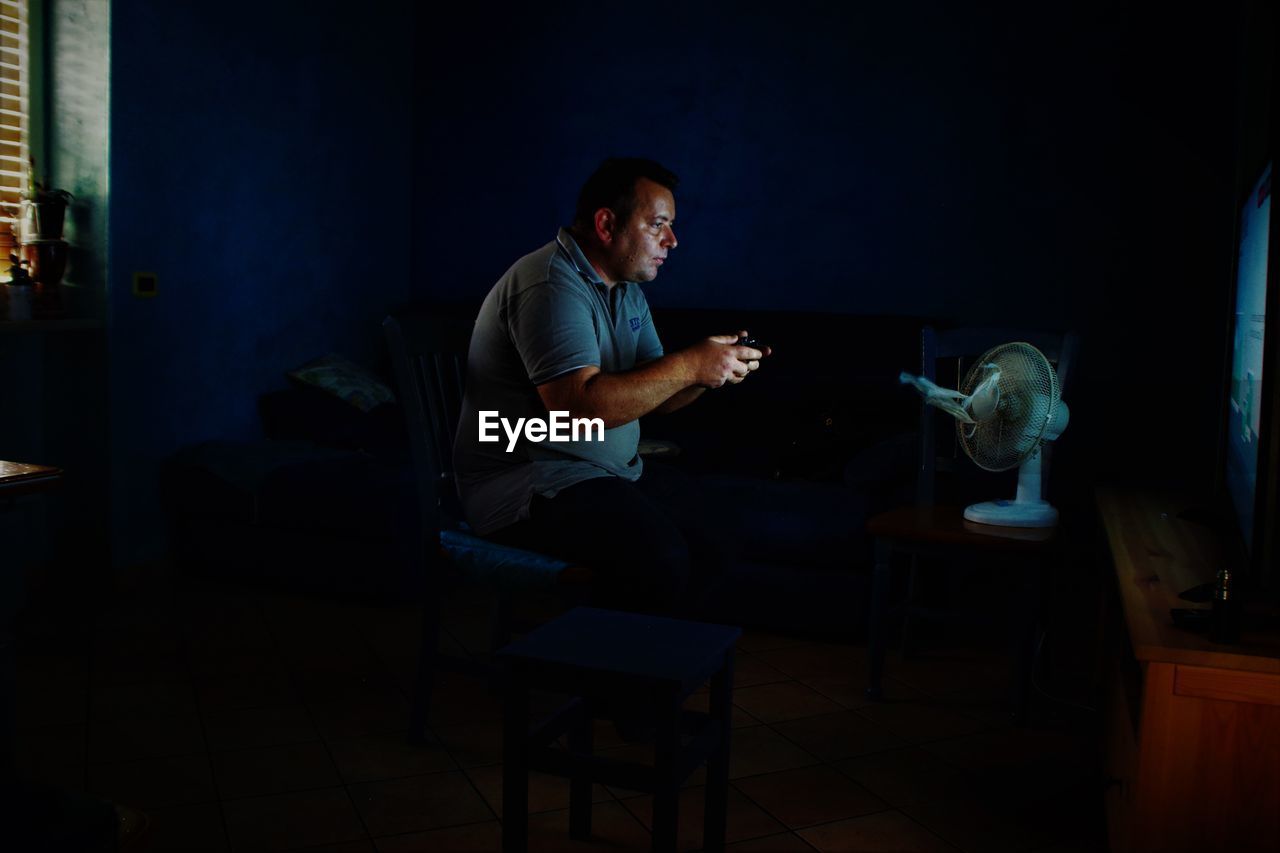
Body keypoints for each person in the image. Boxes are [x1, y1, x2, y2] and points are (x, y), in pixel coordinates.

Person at [453, 157, 769, 615]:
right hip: (528, 482)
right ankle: (601, 675)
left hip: (604, 472)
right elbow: (579, 408)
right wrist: (690, 364)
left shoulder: (626, 290)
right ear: (606, 224)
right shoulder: (549, 285)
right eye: (658, 224)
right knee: (659, 557)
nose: (672, 240)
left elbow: (658, 394)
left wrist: (712, 372)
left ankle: (647, 668)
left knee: (719, 536)